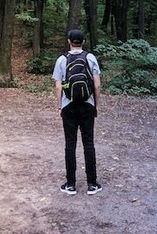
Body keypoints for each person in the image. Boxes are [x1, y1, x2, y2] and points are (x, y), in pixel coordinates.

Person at [52, 29, 102, 195]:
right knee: (88, 143)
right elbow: (96, 85)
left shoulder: (61, 60)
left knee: (70, 144)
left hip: (69, 106)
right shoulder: (90, 58)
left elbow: (58, 86)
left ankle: (71, 184)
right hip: (88, 105)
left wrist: (60, 106)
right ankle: (92, 184)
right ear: (83, 41)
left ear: (69, 41)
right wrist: (96, 105)